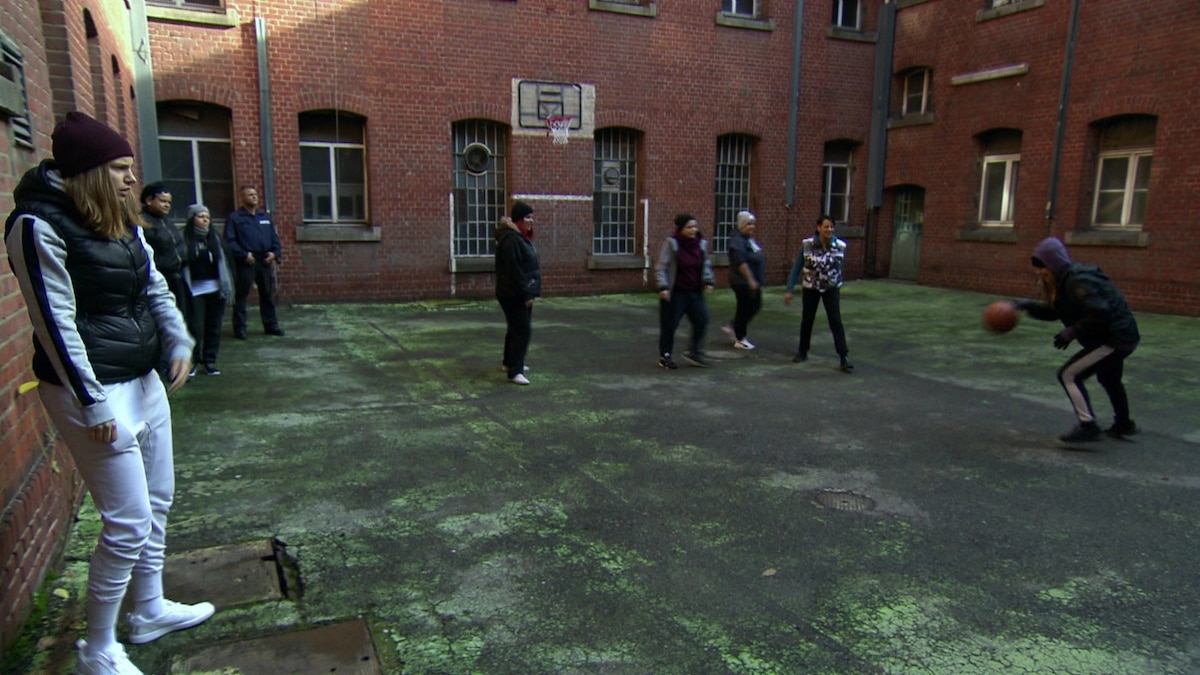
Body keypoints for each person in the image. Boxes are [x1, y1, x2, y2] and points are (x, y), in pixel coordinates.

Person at [4, 112, 214, 675]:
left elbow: (153, 285)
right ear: (90, 170)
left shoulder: (119, 221)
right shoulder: (36, 225)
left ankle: (146, 611)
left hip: (142, 378)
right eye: (119, 168)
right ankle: (98, 648)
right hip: (90, 393)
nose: (131, 179)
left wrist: (178, 341)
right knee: (127, 523)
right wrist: (93, 402)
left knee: (160, 501)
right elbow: (54, 322)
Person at [1016, 236, 1140, 442]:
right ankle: (1124, 424)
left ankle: (1088, 425)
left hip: (1114, 338)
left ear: (1053, 264)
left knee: (1068, 374)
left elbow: (1100, 313)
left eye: (1042, 266)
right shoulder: (1066, 281)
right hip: (1121, 335)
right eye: (1036, 267)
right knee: (1109, 378)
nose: (1039, 272)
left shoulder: (1076, 282)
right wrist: (1025, 306)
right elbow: (1055, 312)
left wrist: (1071, 332)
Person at [784, 215, 853, 372]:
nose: (829, 230)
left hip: (831, 287)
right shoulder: (807, 245)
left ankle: (844, 356)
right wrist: (789, 289)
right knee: (807, 320)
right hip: (811, 287)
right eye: (826, 226)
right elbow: (796, 268)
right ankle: (802, 351)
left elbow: (840, 269)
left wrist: (837, 285)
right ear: (818, 228)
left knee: (835, 321)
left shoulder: (840, 246)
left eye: (831, 227)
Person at [656, 214, 715, 369]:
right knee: (670, 325)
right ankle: (665, 355)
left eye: (695, 226)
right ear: (681, 229)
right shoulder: (672, 244)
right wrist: (663, 286)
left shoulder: (700, 244)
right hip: (676, 293)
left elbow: (706, 264)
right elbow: (662, 266)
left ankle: (695, 352)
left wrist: (708, 281)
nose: (693, 230)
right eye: (689, 227)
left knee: (702, 320)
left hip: (694, 292)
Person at [224, 185, 283, 339]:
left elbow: (274, 239)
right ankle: (240, 329)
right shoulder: (235, 218)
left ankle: (271, 325)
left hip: (264, 260)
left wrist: (275, 253)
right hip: (247, 261)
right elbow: (229, 241)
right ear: (242, 198)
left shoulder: (264, 217)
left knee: (267, 295)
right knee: (241, 296)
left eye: (255, 194)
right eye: (250, 194)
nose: (254, 197)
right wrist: (243, 255)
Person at [181, 204, 233, 376]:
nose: (205, 220)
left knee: (214, 327)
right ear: (192, 219)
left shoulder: (215, 239)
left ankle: (210, 360)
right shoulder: (184, 239)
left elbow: (225, 264)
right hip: (194, 289)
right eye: (200, 216)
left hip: (215, 289)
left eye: (207, 217)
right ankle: (194, 361)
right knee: (194, 327)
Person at [494, 201, 541, 385]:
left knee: (515, 328)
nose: (531, 221)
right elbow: (515, 271)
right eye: (528, 217)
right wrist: (527, 294)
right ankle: (515, 370)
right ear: (519, 219)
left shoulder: (517, 237)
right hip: (513, 293)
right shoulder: (512, 239)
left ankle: (510, 362)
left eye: (532, 217)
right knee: (522, 329)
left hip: (513, 291)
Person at [139, 182, 188, 313]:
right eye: (162, 201)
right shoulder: (142, 222)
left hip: (178, 276)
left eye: (169, 202)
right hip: (159, 276)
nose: (167, 205)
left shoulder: (168, 222)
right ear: (149, 200)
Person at [722, 210, 765, 350]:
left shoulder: (748, 239)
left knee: (753, 305)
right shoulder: (737, 241)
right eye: (749, 224)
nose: (752, 227)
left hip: (751, 281)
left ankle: (734, 327)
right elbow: (741, 262)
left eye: (753, 224)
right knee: (747, 306)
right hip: (742, 282)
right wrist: (751, 279)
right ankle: (740, 337)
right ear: (741, 225)